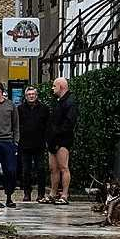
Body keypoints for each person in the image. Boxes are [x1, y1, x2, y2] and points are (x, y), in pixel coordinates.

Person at [17, 85, 50, 203]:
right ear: (25, 97)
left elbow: (47, 126)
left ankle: (41, 194)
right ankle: (27, 193)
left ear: (36, 96)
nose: (31, 96)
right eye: (29, 95)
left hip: (39, 144)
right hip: (25, 144)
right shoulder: (20, 109)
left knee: (40, 169)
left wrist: (46, 140)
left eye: (33, 94)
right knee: (26, 170)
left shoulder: (44, 109)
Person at [47, 75, 76, 205]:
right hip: (53, 138)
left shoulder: (70, 102)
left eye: (54, 86)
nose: (52, 88)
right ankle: (53, 193)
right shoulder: (58, 101)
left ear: (61, 87)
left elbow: (69, 123)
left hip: (63, 139)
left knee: (63, 167)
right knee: (53, 168)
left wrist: (58, 135)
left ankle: (64, 194)